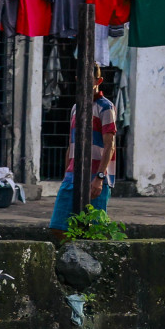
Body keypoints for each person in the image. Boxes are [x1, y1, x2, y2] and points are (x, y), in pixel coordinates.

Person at [49, 68, 118, 234]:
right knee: (58, 227)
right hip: (72, 176)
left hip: (96, 176)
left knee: (93, 231)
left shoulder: (105, 107)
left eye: (89, 79)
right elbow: (71, 144)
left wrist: (100, 177)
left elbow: (110, 145)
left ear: (98, 81)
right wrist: (67, 172)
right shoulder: (75, 108)